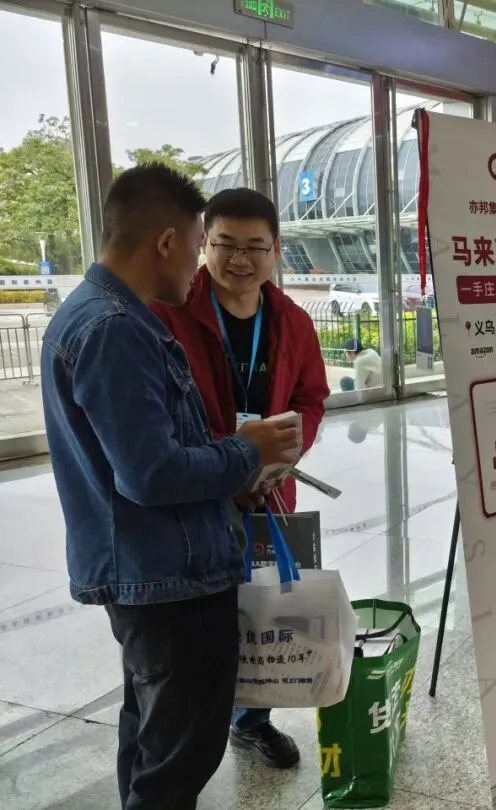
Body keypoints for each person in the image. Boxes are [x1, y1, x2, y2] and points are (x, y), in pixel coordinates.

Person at [40, 164, 301, 809]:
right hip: (167, 577)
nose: (201, 263)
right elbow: (151, 473)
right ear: (166, 242)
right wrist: (248, 450)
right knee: (179, 756)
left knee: (152, 736)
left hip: (152, 568)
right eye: (199, 243)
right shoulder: (116, 328)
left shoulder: (100, 314)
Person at [153, 187, 329, 770]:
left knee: (266, 603)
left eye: (255, 246)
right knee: (202, 609)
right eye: (225, 243)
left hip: (269, 488)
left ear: (277, 249)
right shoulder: (171, 312)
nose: (240, 259)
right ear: (204, 244)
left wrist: (279, 456)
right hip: (197, 489)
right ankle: (195, 720)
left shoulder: (292, 320)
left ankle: (252, 719)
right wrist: (227, 463)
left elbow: (311, 397)